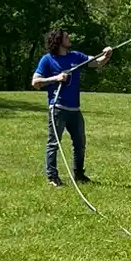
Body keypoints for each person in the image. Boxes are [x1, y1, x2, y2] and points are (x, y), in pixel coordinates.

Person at [31, 28, 113, 187]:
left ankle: (79, 175)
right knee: (54, 143)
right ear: (58, 41)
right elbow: (35, 82)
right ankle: (52, 177)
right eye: (66, 37)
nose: (70, 38)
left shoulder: (76, 56)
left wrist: (107, 54)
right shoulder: (47, 60)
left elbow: (97, 62)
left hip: (75, 110)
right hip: (58, 108)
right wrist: (57, 77)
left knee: (80, 143)